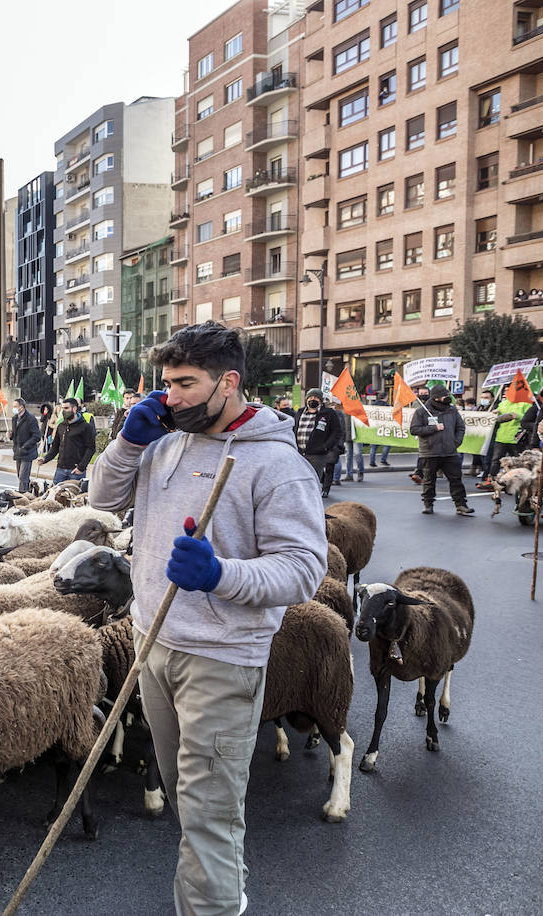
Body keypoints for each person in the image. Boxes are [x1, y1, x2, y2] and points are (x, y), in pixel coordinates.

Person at [89, 321, 325, 916]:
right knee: (187, 801)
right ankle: (225, 880)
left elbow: (302, 570)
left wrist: (221, 575)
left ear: (229, 382)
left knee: (206, 817)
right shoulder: (164, 442)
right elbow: (102, 498)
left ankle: (215, 904)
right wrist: (126, 442)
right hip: (153, 644)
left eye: (186, 384)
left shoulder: (276, 464)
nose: (171, 397)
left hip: (222, 659)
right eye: (166, 384)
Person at [411, 384, 473, 516]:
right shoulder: (421, 411)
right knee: (429, 480)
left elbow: (460, 427)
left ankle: (461, 505)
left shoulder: (452, 410)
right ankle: (428, 504)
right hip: (430, 452)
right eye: (445, 395)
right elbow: (414, 429)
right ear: (436, 398)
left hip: (449, 452)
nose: (448, 397)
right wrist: (434, 428)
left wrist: (456, 442)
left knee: (456, 479)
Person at [293, 388, 343, 498]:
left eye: (315, 397)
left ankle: (315, 499)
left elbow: (336, 432)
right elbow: (294, 428)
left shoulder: (329, 413)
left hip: (317, 454)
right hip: (300, 453)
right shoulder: (300, 412)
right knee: (301, 478)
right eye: (310, 397)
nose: (312, 399)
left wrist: (325, 447)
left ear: (320, 400)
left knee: (314, 479)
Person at [40, 397, 96, 485]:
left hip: (76, 471)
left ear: (74, 409)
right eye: (62, 408)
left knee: (74, 496)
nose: (64, 411)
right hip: (60, 470)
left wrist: (81, 467)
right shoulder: (61, 426)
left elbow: (91, 448)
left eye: (66, 408)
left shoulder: (85, 427)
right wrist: (45, 459)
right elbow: (55, 447)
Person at [10, 397, 42, 492]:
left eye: (15, 406)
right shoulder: (15, 418)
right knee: (20, 475)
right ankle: (30, 490)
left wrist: (25, 447)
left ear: (22, 407)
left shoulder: (30, 419)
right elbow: (15, 434)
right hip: (18, 451)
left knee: (23, 477)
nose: (14, 408)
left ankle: (23, 496)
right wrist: (11, 435)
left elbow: (36, 436)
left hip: (27, 452)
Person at [342, 405, 365, 483]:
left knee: (357, 453)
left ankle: (360, 472)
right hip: (347, 435)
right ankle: (349, 475)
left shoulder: (358, 408)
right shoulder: (343, 409)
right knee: (348, 455)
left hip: (357, 435)